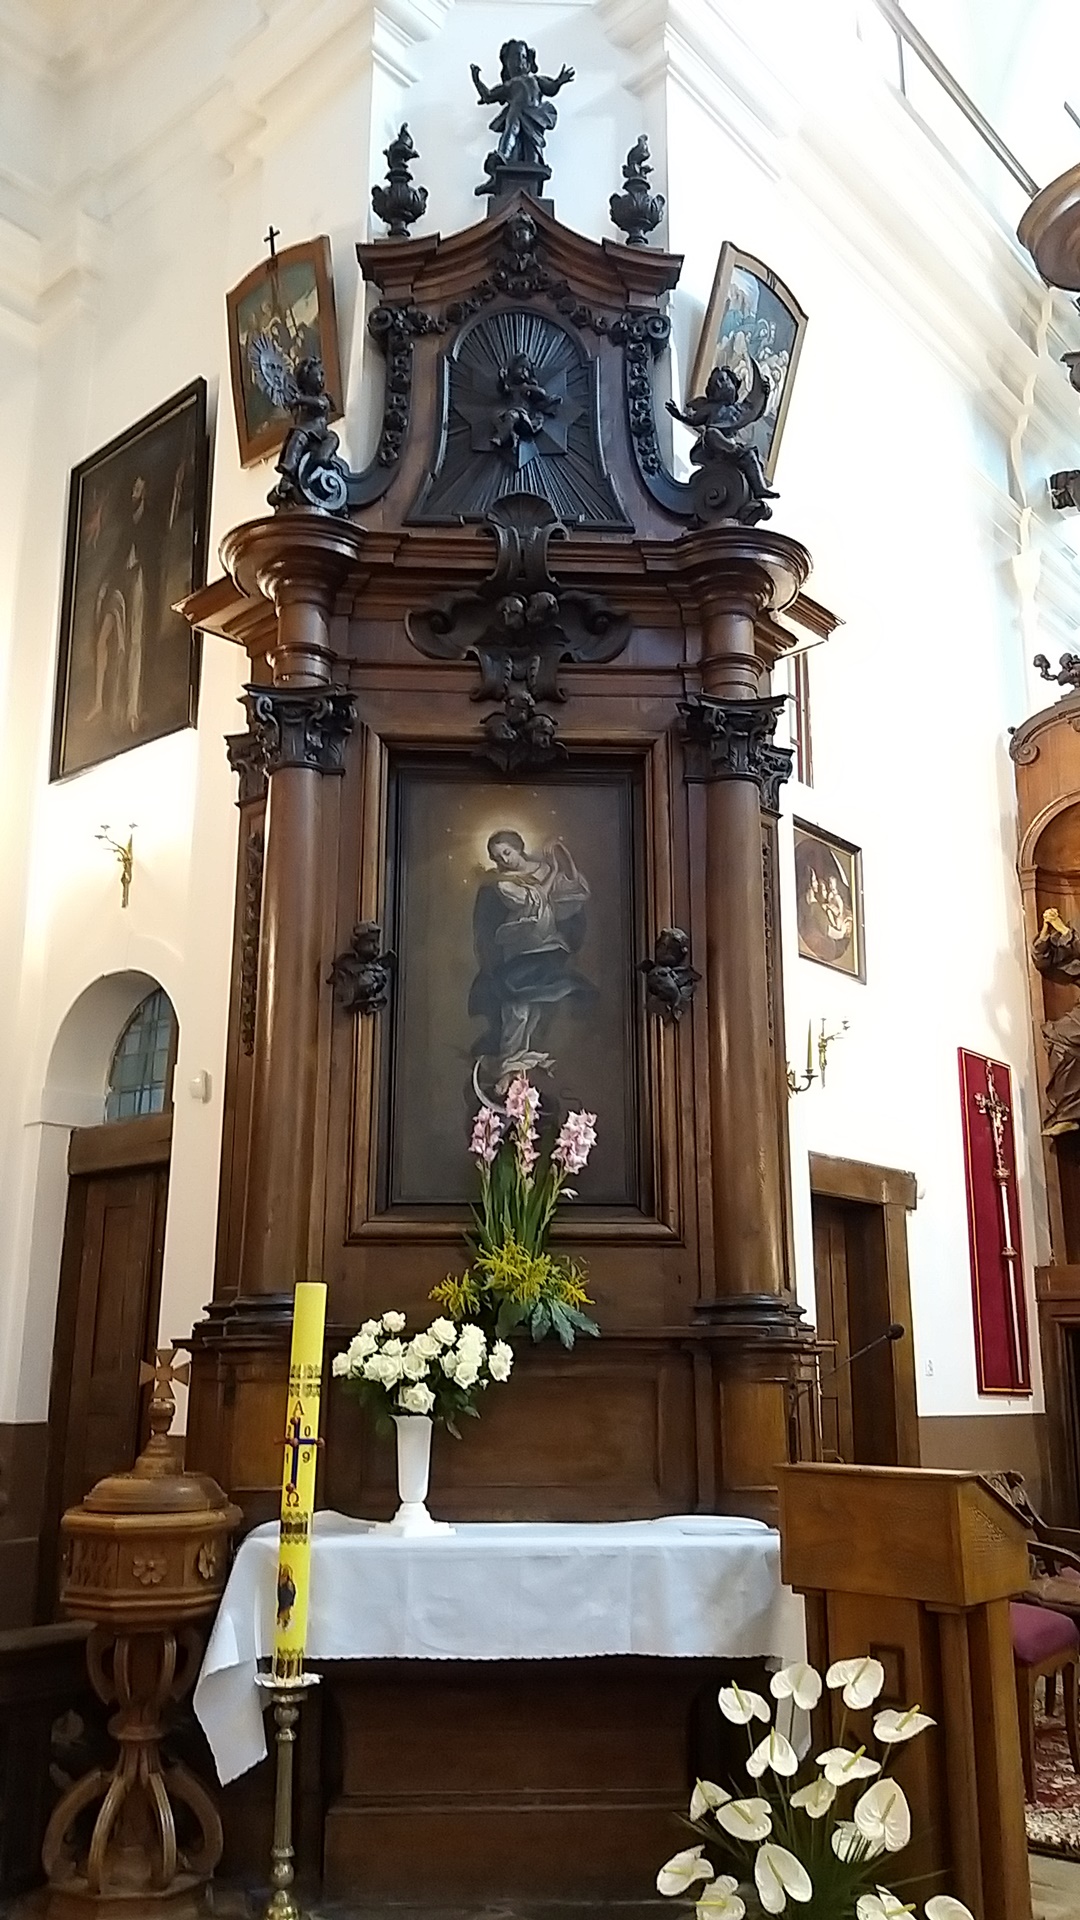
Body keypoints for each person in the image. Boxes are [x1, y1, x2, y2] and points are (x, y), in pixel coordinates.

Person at [470, 828, 595, 1088]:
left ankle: (514, 1067)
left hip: (548, 947)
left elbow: (573, 893)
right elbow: (536, 900)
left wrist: (564, 859)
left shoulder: (543, 869)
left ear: (518, 847)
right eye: (498, 857)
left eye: (507, 852)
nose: (504, 860)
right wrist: (553, 870)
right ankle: (510, 1066)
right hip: (519, 951)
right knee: (517, 1006)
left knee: (533, 1007)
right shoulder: (503, 884)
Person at [471, 41, 574, 175]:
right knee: (513, 123)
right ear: (507, 63)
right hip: (517, 114)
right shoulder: (509, 85)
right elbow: (489, 95)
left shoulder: (536, 80)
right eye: (515, 57)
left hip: (535, 116)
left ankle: (531, 165)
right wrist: (477, 81)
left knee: (533, 150)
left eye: (523, 57)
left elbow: (550, 88)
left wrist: (559, 82)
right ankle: (504, 154)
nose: (520, 61)